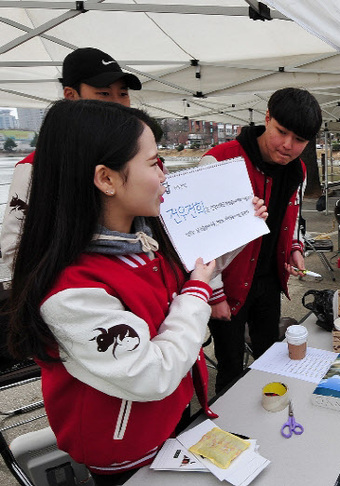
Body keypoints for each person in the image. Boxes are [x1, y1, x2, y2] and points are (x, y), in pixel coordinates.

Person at [4, 99, 228, 484]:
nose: (164, 177)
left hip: (167, 423)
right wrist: (195, 294)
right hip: (124, 450)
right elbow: (152, 373)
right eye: (154, 162)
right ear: (106, 179)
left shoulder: (140, 244)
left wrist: (236, 224)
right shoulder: (72, 291)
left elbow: (196, 276)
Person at [200, 87, 322, 393]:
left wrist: (295, 246)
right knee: (230, 363)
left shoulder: (299, 169)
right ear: (267, 118)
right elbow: (200, 238)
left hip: (268, 278)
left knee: (269, 352)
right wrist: (213, 294)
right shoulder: (220, 160)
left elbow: (292, 214)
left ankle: (265, 409)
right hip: (228, 283)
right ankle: (229, 428)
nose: (288, 146)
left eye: (300, 141)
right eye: (281, 132)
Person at [0, 47, 143, 270]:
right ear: (70, 95)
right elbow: (13, 251)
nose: (117, 104)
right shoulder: (34, 168)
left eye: (123, 94)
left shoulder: (142, 159)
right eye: (104, 94)